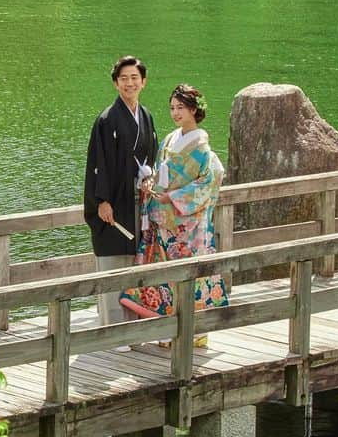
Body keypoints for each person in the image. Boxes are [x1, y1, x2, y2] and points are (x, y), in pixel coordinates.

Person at [120, 83, 229, 346]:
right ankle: (168, 328)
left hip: (188, 226)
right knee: (163, 274)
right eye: (172, 108)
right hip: (163, 219)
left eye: (181, 107)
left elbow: (210, 181)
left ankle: (197, 331)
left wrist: (176, 197)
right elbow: (159, 171)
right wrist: (149, 183)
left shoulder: (202, 148)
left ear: (194, 110)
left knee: (189, 275)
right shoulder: (170, 139)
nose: (175, 113)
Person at [84, 56, 159, 326]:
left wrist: (150, 178)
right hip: (114, 203)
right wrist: (101, 201)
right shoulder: (106, 120)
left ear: (144, 82)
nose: (130, 83)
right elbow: (98, 164)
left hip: (138, 202)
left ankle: (134, 322)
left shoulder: (147, 116)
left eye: (134, 78)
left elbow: (151, 155)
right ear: (116, 83)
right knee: (114, 263)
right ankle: (112, 325)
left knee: (135, 261)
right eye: (124, 78)